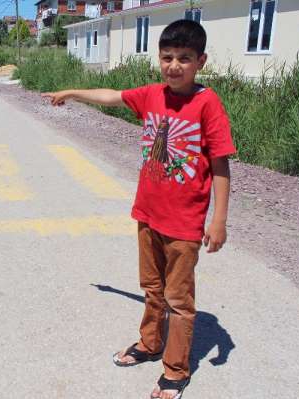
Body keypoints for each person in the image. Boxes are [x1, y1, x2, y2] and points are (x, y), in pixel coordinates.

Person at [43, 20, 235, 399]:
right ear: (159, 59)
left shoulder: (206, 102)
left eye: (184, 58)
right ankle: (150, 344)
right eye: (167, 57)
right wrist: (72, 92)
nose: (174, 65)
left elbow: (221, 164)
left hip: (183, 225)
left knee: (178, 301)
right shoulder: (151, 95)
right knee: (151, 288)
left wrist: (219, 220)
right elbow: (112, 96)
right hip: (148, 215)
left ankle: (176, 372)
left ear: (201, 61)